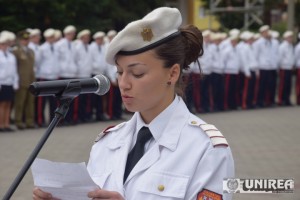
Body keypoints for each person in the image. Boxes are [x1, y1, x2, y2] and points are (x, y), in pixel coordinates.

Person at [33, 7, 234, 200]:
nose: (123, 84)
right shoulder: (108, 142)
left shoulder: (206, 148)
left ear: (172, 73)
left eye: (137, 73)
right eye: (119, 72)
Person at [12, 30, 36, 129]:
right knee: (20, 103)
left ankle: (29, 122)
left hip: (31, 80)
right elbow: (14, 67)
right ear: (20, 40)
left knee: (30, 103)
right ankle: (18, 121)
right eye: (24, 40)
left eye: (27, 39)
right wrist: (15, 80)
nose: (26, 41)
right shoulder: (16, 51)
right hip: (21, 80)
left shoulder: (31, 51)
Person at [0, 33, 19, 132]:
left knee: (8, 104)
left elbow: (14, 71)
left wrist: (16, 83)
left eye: (6, 44)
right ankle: (1, 125)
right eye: (2, 44)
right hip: (1, 82)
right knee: (2, 105)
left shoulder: (11, 56)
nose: (4, 46)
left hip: (9, 82)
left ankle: (6, 124)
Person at [278, 31, 295, 106]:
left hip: (289, 67)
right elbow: (280, 57)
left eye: (291, 37)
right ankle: (281, 100)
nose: (290, 39)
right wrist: (281, 66)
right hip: (284, 67)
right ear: (285, 38)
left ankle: (287, 99)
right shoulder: (282, 46)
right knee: (283, 85)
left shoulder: (290, 46)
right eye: (289, 37)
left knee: (288, 85)